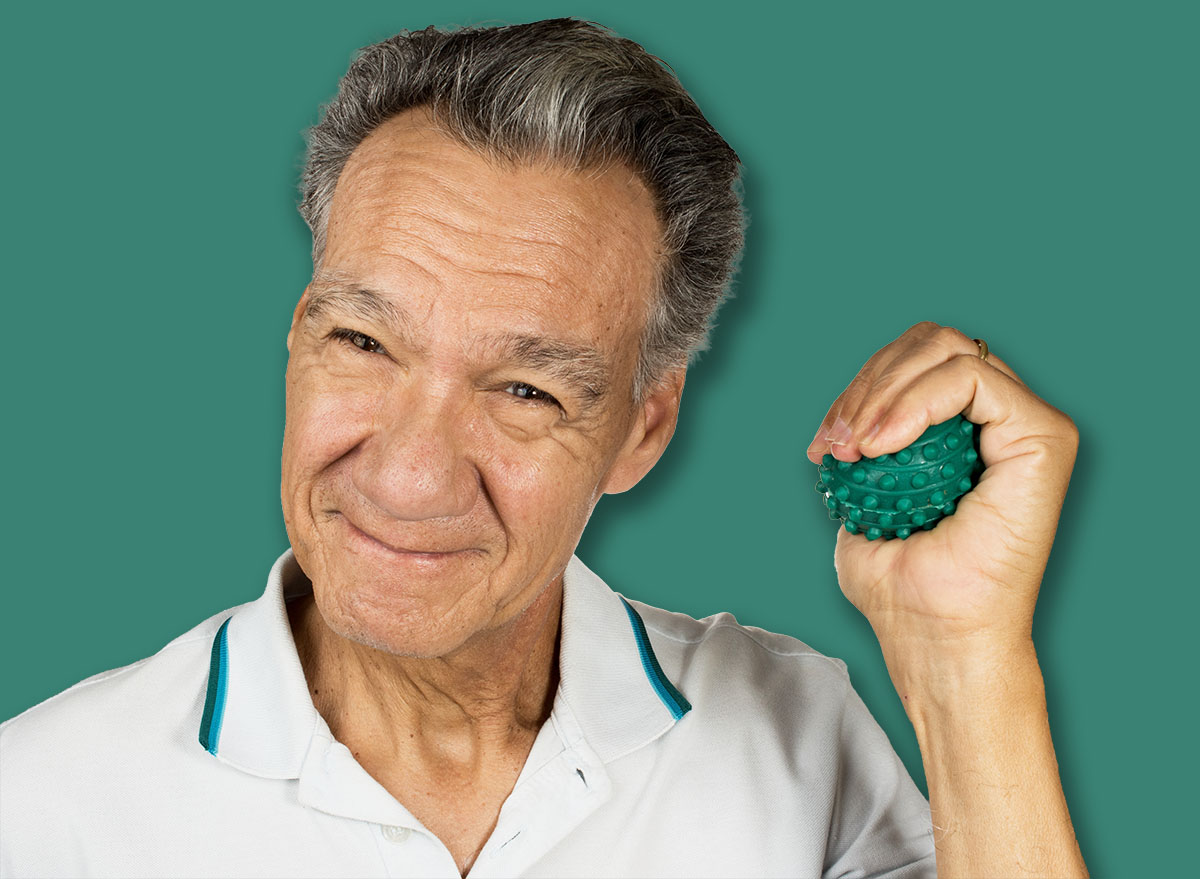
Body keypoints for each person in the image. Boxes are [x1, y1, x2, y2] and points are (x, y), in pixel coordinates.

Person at [0, 18, 1087, 879]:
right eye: (364, 340)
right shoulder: (38, 807)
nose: (409, 475)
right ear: (297, 337)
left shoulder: (797, 742)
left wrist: (966, 663)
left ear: (640, 429)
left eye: (524, 389)